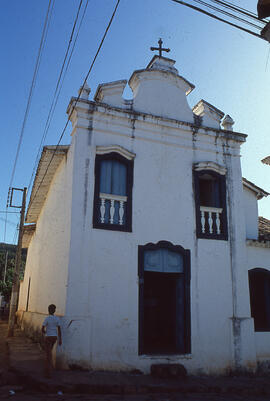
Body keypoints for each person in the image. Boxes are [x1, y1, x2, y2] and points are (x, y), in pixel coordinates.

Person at [42, 304, 62, 378]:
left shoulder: (47, 318)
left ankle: (48, 372)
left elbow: (42, 329)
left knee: (48, 355)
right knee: (49, 353)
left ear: (48, 310)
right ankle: (48, 371)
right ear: (54, 310)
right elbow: (59, 330)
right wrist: (60, 340)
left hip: (48, 337)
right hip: (54, 337)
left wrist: (45, 333)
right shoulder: (57, 319)